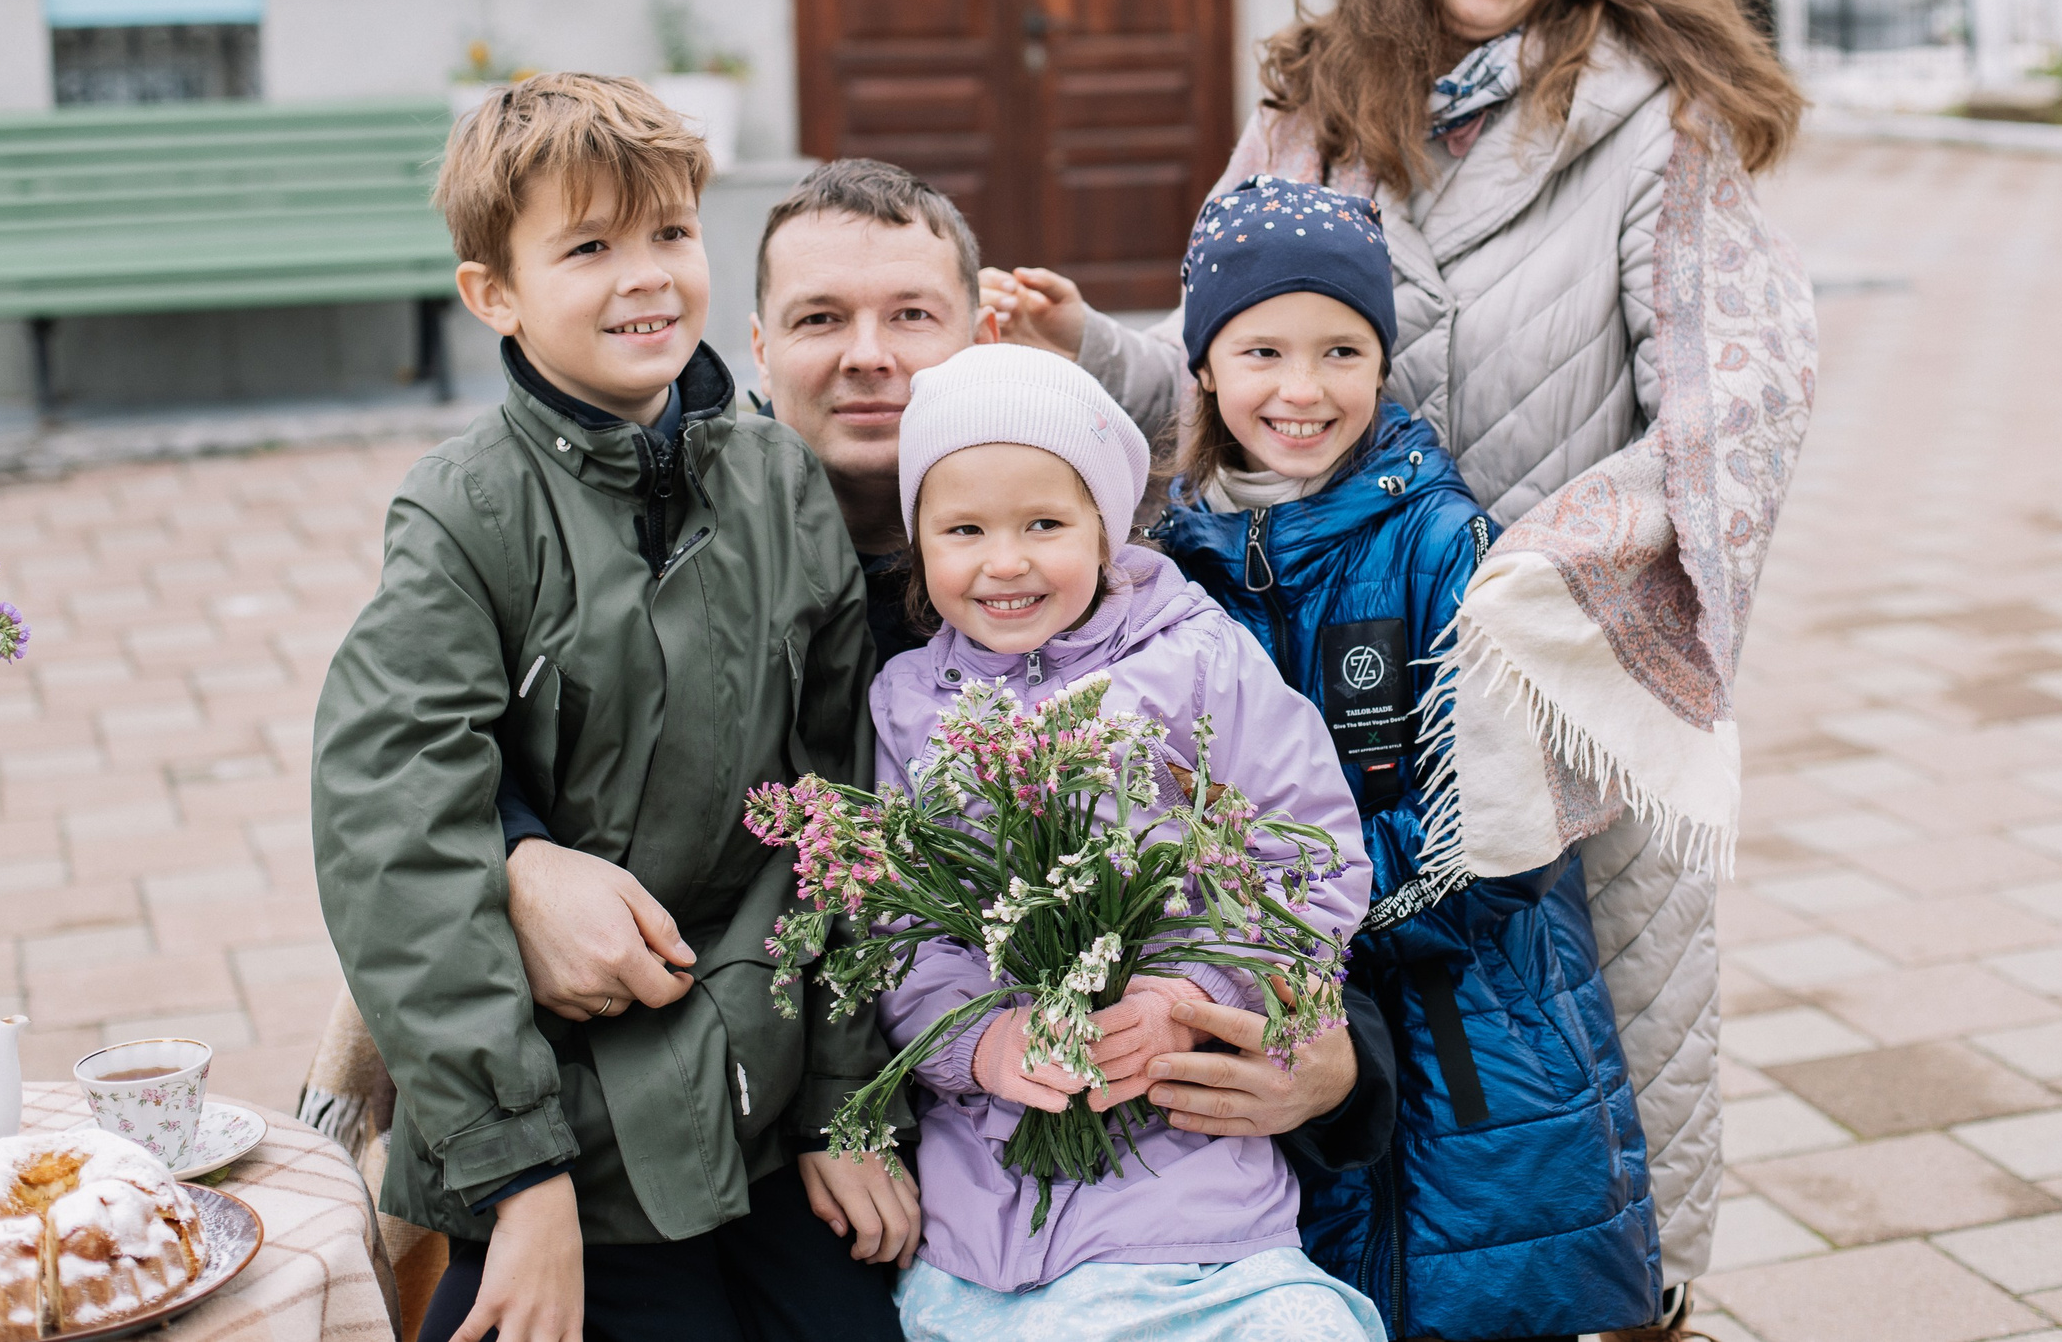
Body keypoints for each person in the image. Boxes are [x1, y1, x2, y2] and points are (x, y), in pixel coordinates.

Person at [986, 0, 1817, 1337]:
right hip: (1302, 705)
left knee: (1557, 1138)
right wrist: (1098, 342)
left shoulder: (1653, 122)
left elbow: (1747, 399)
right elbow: (1234, 380)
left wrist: (1536, 572)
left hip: (1539, 707)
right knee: (1307, 1125)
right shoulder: (1313, 109)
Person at [489, 161, 1399, 1203]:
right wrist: (518, 855)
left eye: (911, 315)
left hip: (1122, 1157)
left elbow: (1281, 842)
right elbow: (477, 765)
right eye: (821, 318)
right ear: (757, 346)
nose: (868, 357)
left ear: (980, 338)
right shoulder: (662, 557)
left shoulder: (1126, 606)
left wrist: (1333, 1060)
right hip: (753, 1142)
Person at [310, 76, 919, 1342]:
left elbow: (844, 804)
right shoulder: (465, 515)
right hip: (563, 1128)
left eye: (669, 236)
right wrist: (519, 1182)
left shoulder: (780, 484)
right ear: (496, 294)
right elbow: (396, 829)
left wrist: (841, 1103)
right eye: (588, 247)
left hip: (760, 1089)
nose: (643, 276)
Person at [1149, 174, 1661, 1339]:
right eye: (1262, 349)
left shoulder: (1447, 545)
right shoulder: (1171, 568)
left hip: (1465, 1040)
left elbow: (1500, 826)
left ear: (1382, 364)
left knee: (1467, 1296)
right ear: (1205, 366)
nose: (1301, 388)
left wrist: (1294, 904)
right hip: (1272, 1025)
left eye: (1340, 350)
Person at [871, 344, 1381, 1341]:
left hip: (1189, 1187)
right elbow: (896, 929)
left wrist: (1194, 998)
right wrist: (981, 1047)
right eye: (963, 528)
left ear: (1106, 529)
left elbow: (1308, 862)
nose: (1004, 560)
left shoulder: (1199, 660)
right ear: (919, 544)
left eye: (1045, 525)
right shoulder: (907, 706)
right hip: (985, 1208)